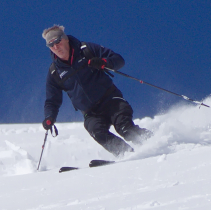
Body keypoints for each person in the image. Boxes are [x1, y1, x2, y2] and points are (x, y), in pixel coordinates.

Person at [41, 25, 152, 157]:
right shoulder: (55, 71)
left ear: (65, 39)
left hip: (110, 100)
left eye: (57, 41)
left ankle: (157, 141)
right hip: (90, 113)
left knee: (125, 128)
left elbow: (118, 60)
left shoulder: (86, 50)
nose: (55, 47)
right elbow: (52, 100)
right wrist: (49, 117)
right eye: (50, 45)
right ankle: (126, 154)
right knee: (97, 131)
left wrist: (104, 62)